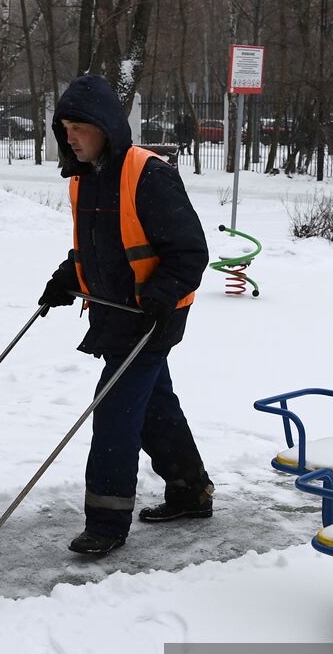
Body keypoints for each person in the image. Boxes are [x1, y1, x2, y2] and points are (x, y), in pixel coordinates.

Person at [37, 75, 213, 556]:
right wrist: (67, 278)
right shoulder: (85, 179)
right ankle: (190, 490)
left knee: (114, 412)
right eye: (64, 127)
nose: (70, 136)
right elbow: (98, 250)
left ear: (106, 127)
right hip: (116, 316)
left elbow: (190, 252)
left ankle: (107, 522)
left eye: (79, 127)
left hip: (153, 318)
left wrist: (160, 294)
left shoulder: (147, 173)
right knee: (154, 407)